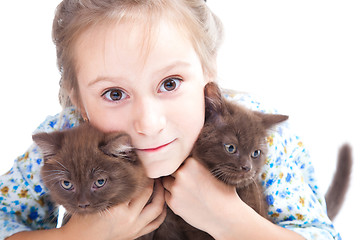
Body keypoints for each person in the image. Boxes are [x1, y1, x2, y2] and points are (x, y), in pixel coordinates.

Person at [0, 0, 341, 239]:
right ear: (77, 99)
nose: (149, 123)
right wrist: (78, 237)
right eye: (115, 94)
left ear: (209, 72)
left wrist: (232, 222)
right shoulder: (64, 137)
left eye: (170, 84)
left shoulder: (251, 129)